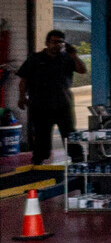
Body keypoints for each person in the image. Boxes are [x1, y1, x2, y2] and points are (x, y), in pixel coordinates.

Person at [16, 29, 84, 165]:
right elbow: (23, 79)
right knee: (42, 133)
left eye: (60, 42)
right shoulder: (35, 59)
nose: (57, 45)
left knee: (69, 131)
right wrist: (22, 97)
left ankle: (76, 156)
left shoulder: (66, 58)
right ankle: (39, 158)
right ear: (47, 43)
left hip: (63, 103)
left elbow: (82, 70)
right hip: (40, 103)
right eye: (54, 42)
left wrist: (74, 56)